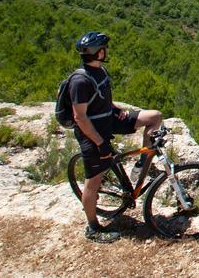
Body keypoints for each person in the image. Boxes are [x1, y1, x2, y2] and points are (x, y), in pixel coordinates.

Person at [69, 31, 164, 243]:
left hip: (109, 120)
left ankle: (142, 164)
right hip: (93, 133)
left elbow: (101, 98)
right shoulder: (80, 81)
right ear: (99, 52)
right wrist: (100, 143)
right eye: (105, 48)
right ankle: (93, 227)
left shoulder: (100, 72)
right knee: (93, 183)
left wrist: (116, 108)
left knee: (154, 117)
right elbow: (80, 117)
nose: (107, 51)